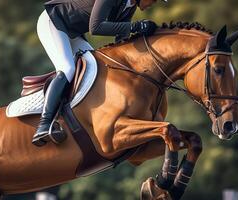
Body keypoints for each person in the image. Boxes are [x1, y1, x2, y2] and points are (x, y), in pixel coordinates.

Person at [33, 0, 167, 146]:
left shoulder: (129, 5)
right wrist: (137, 26)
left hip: (73, 32)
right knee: (67, 68)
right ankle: (44, 125)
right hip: (53, 22)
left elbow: (121, 39)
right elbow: (95, 27)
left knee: (95, 68)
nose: (154, 3)